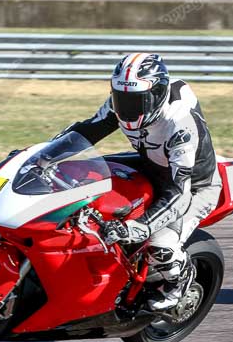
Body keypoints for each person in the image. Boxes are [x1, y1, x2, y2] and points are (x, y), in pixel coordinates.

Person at [60, 53, 221, 310]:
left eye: (136, 101)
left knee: (159, 245)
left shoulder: (180, 126)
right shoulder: (122, 104)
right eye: (121, 97)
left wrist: (141, 227)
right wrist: (41, 157)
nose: (127, 108)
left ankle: (179, 282)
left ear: (156, 95)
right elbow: (86, 131)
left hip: (194, 185)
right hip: (150, 165)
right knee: (77, 178)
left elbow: (180, 193)